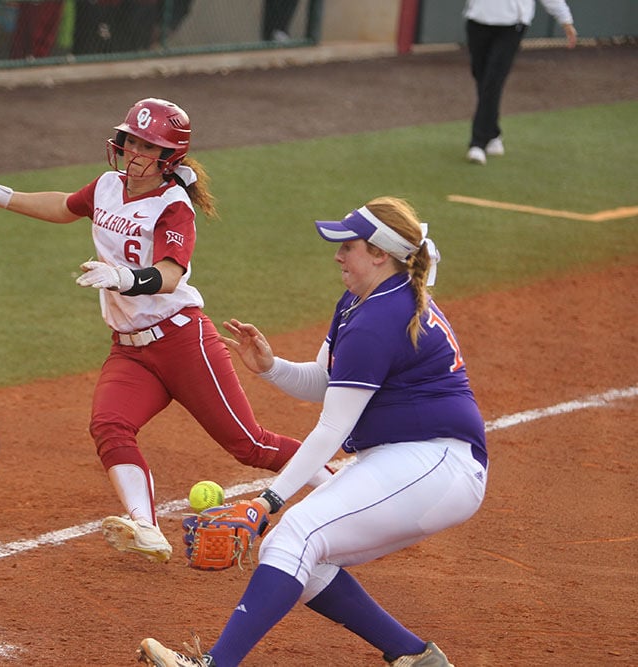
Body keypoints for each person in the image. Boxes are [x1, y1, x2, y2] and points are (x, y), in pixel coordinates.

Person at [0, 98, 331, 564]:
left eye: (147, 145)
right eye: (131, 140)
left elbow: (171, 274)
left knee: (249, 445)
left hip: (183, 341)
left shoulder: (175, 208)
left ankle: (339, 489)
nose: (133, 151)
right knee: (110, 425)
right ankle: (146, 527)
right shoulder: (107, 187)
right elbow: (64, 206)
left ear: (168, 156)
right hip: (131, 350)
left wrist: (121, 278)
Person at [138, 196, 488, 666]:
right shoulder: (362, 301)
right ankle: (414, 658)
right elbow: (327, 381)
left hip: (436, 464)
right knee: (306, 555)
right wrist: (270, 367)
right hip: (409, 459)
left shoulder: (379, 317)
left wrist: (267, 503)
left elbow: (331, 426)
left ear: (380, 253)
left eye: (349, 246)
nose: (338, 256)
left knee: (293, 537)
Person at [464, 0, 577, 165]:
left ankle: (478, 143)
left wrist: (565, 20)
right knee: (482, 78)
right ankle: (493, 133)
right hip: (477, 22)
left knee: (493, 81)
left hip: (512, 26)